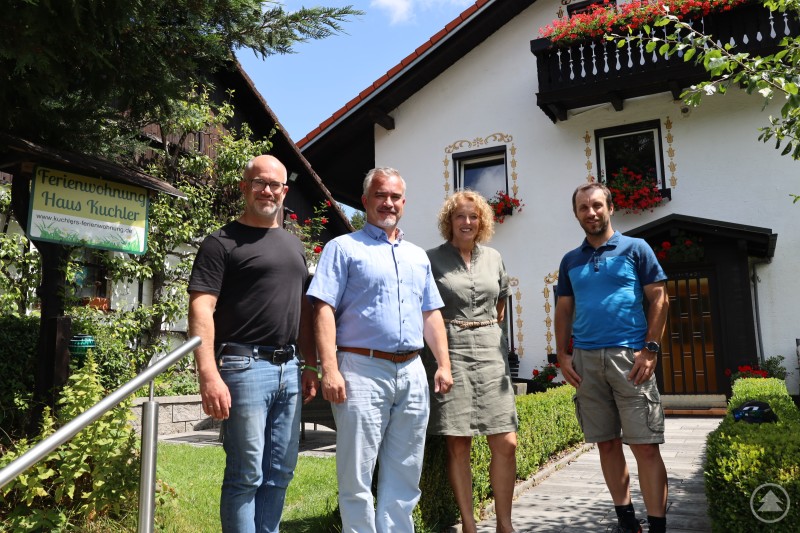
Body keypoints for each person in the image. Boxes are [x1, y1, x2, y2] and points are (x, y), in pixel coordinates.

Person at [307, 167, 453, 533]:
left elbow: (431, 314)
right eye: (380, 195)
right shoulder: (343, 248)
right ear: (365, 200)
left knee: (406, 469)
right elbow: (322, 308)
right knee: (357, 470)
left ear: (404, 203)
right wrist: (329, 368)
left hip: (412, 371)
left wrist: (444, 365)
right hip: (361, 368)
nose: (388, 202)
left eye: (395, 197)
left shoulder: (418, 256)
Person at [187, 154, 319, 533]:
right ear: (245, 187)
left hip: (290, 369)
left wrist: (309, 364)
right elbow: (201, 309)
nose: (267, 190)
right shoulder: (220, 243)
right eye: (259, 183)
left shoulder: (294, 246)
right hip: (243, 368)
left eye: (274, 185)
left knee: (280, 471)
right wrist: (208, 373)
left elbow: (303, 311)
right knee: (246, 474)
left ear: (284, 192)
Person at [554, 182, 669, 533]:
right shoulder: (570, 261)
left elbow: (660, 298)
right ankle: (626, 520)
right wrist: (562, 354)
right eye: (584, 208)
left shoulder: (637, 248)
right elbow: (563, 308)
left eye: (597, 205)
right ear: (576, 214)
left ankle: (658, 526)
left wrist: (650, 349)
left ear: (610, 207)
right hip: (587, 362)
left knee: (645, 446)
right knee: (605, 444)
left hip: (629, 359)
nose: (591, 212)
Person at [424, 190, 518, 533]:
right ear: (449, 221)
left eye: (473, 216)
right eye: (460, 216)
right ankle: (469, 524)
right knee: (458, 441)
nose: (467, 222)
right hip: (452, 351)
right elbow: (426, 312)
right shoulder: (430, 259)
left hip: (491, 352)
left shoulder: (494, 257)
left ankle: (505, 524)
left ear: (483, 222)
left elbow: (501, 305)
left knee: (506, 441)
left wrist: (485, 328)